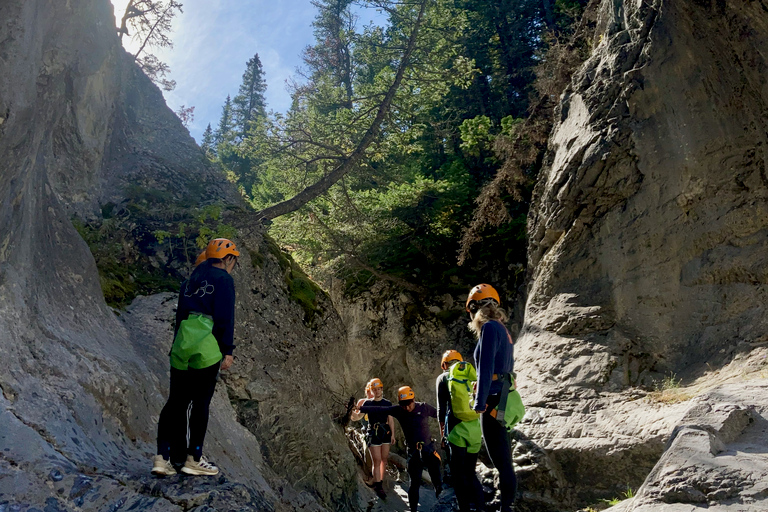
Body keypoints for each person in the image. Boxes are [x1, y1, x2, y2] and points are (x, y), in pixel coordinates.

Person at [151, 238, 240, 477]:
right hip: (205, 344)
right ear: (228, 258)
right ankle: (194, 458)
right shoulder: (224, 280)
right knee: (200, 403)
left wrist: (177, 345)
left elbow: (180, 316)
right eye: (234, 261)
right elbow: (224, 317)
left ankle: (163, 458)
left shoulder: (190, 281)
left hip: (182, 343)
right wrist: (227, 350)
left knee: (176, 402)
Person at [468, 283, 516, 511]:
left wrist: (479, 402)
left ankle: (505, 508)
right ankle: (506, 506)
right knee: (505, 458)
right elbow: (506, 366)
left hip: (492, 399)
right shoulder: (503, 329)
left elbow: (485, 368)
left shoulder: (488, 329)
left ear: (475, 307)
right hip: (503, 397)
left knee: (501, 462)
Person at [357, 386, 442, 512]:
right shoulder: (399, 410)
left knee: (437, 480)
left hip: (429, 449)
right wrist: (360, 408)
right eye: (403, 405)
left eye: (409, 404)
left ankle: (441, 504)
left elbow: (440, 415)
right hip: (413, 452)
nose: (407, 408)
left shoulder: (423, 407)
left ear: (413, 399)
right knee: (414, 484)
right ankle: (413, 510)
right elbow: (380, 409)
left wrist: (445, 431)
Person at [350, 378, 396, 498]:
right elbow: (357, 417)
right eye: (374, 390)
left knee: (383, 460)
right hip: (373, 433)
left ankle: (379, 480)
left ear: (381, 389)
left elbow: (390, 419)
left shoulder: (387, 403)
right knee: (377, 460)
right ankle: (378, 485)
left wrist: (393, 435)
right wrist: (350, 411)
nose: (376, 391)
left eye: (378, 389)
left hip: (385, 432)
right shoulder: (367, 404)